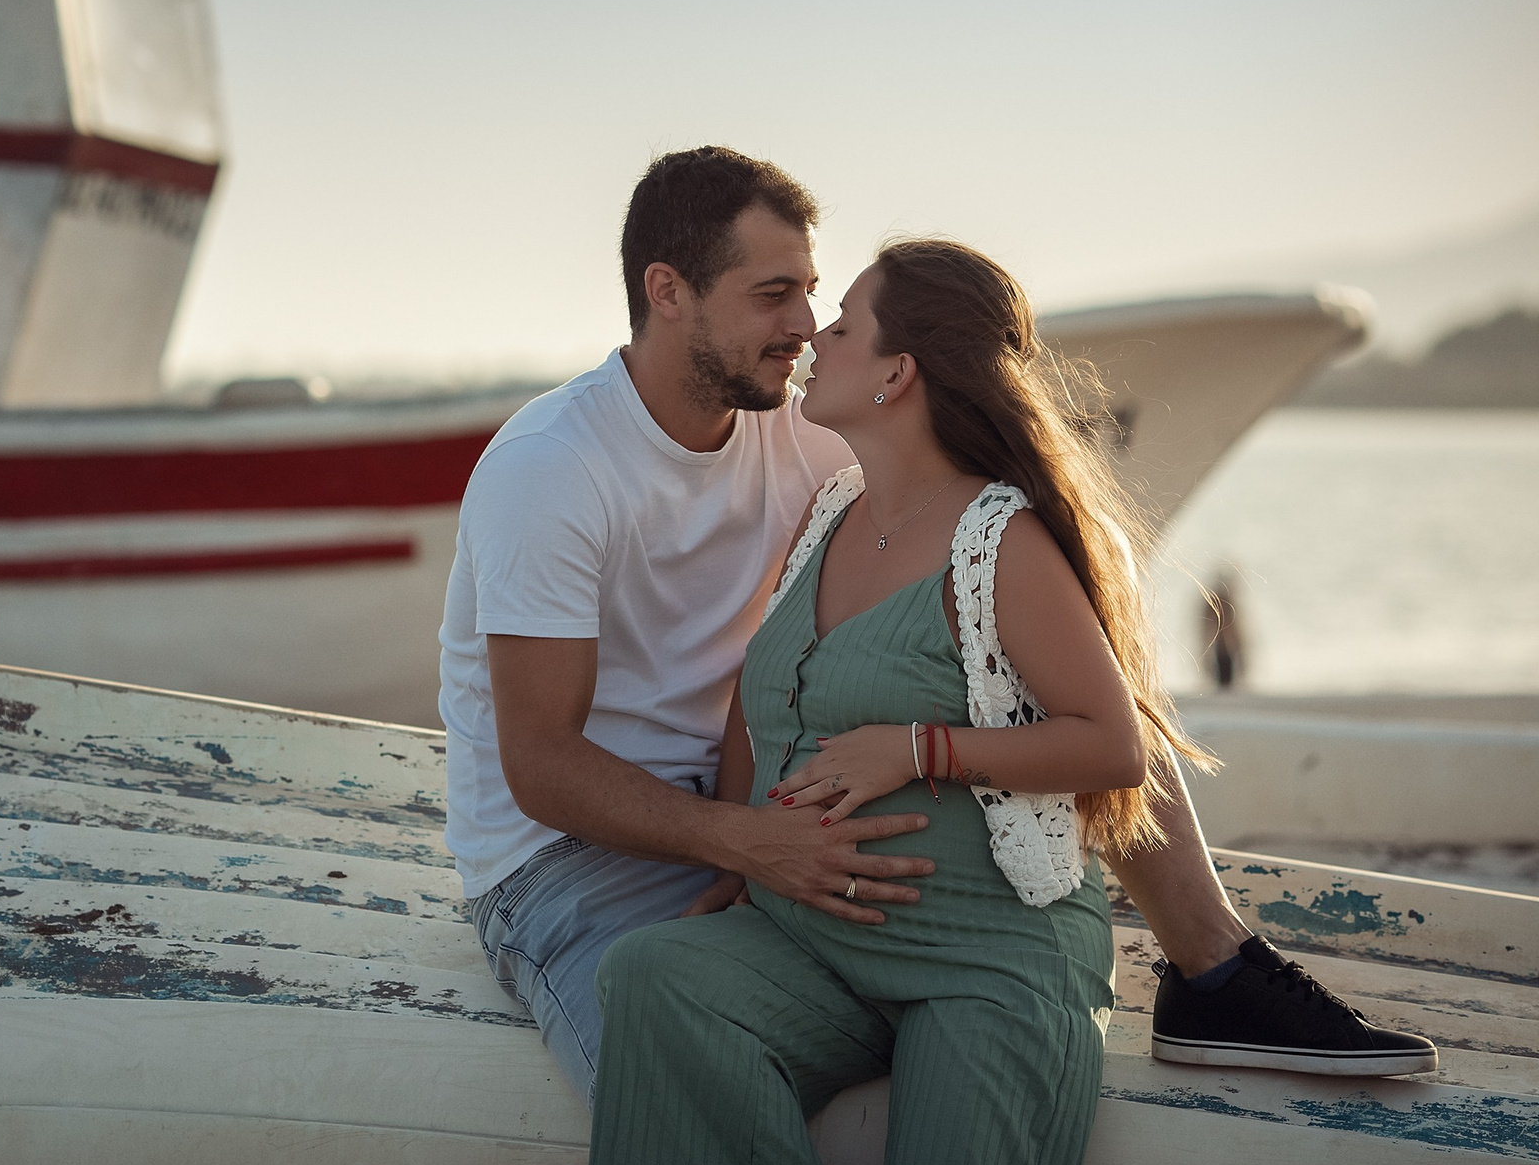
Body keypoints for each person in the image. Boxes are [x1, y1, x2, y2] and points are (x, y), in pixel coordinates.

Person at [437, 148, 1435, 1112]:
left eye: (813, 293)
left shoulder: (800, 421)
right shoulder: (553, 468)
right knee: (678, 1088)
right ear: (668, 292)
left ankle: (1213, 969)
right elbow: (541, 766)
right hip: (572, 856)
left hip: (772, 797)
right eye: (771, 294)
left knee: (1049, 662)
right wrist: (746, 848)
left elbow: (1023, 511)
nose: (806, 325)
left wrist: (1064, 605)